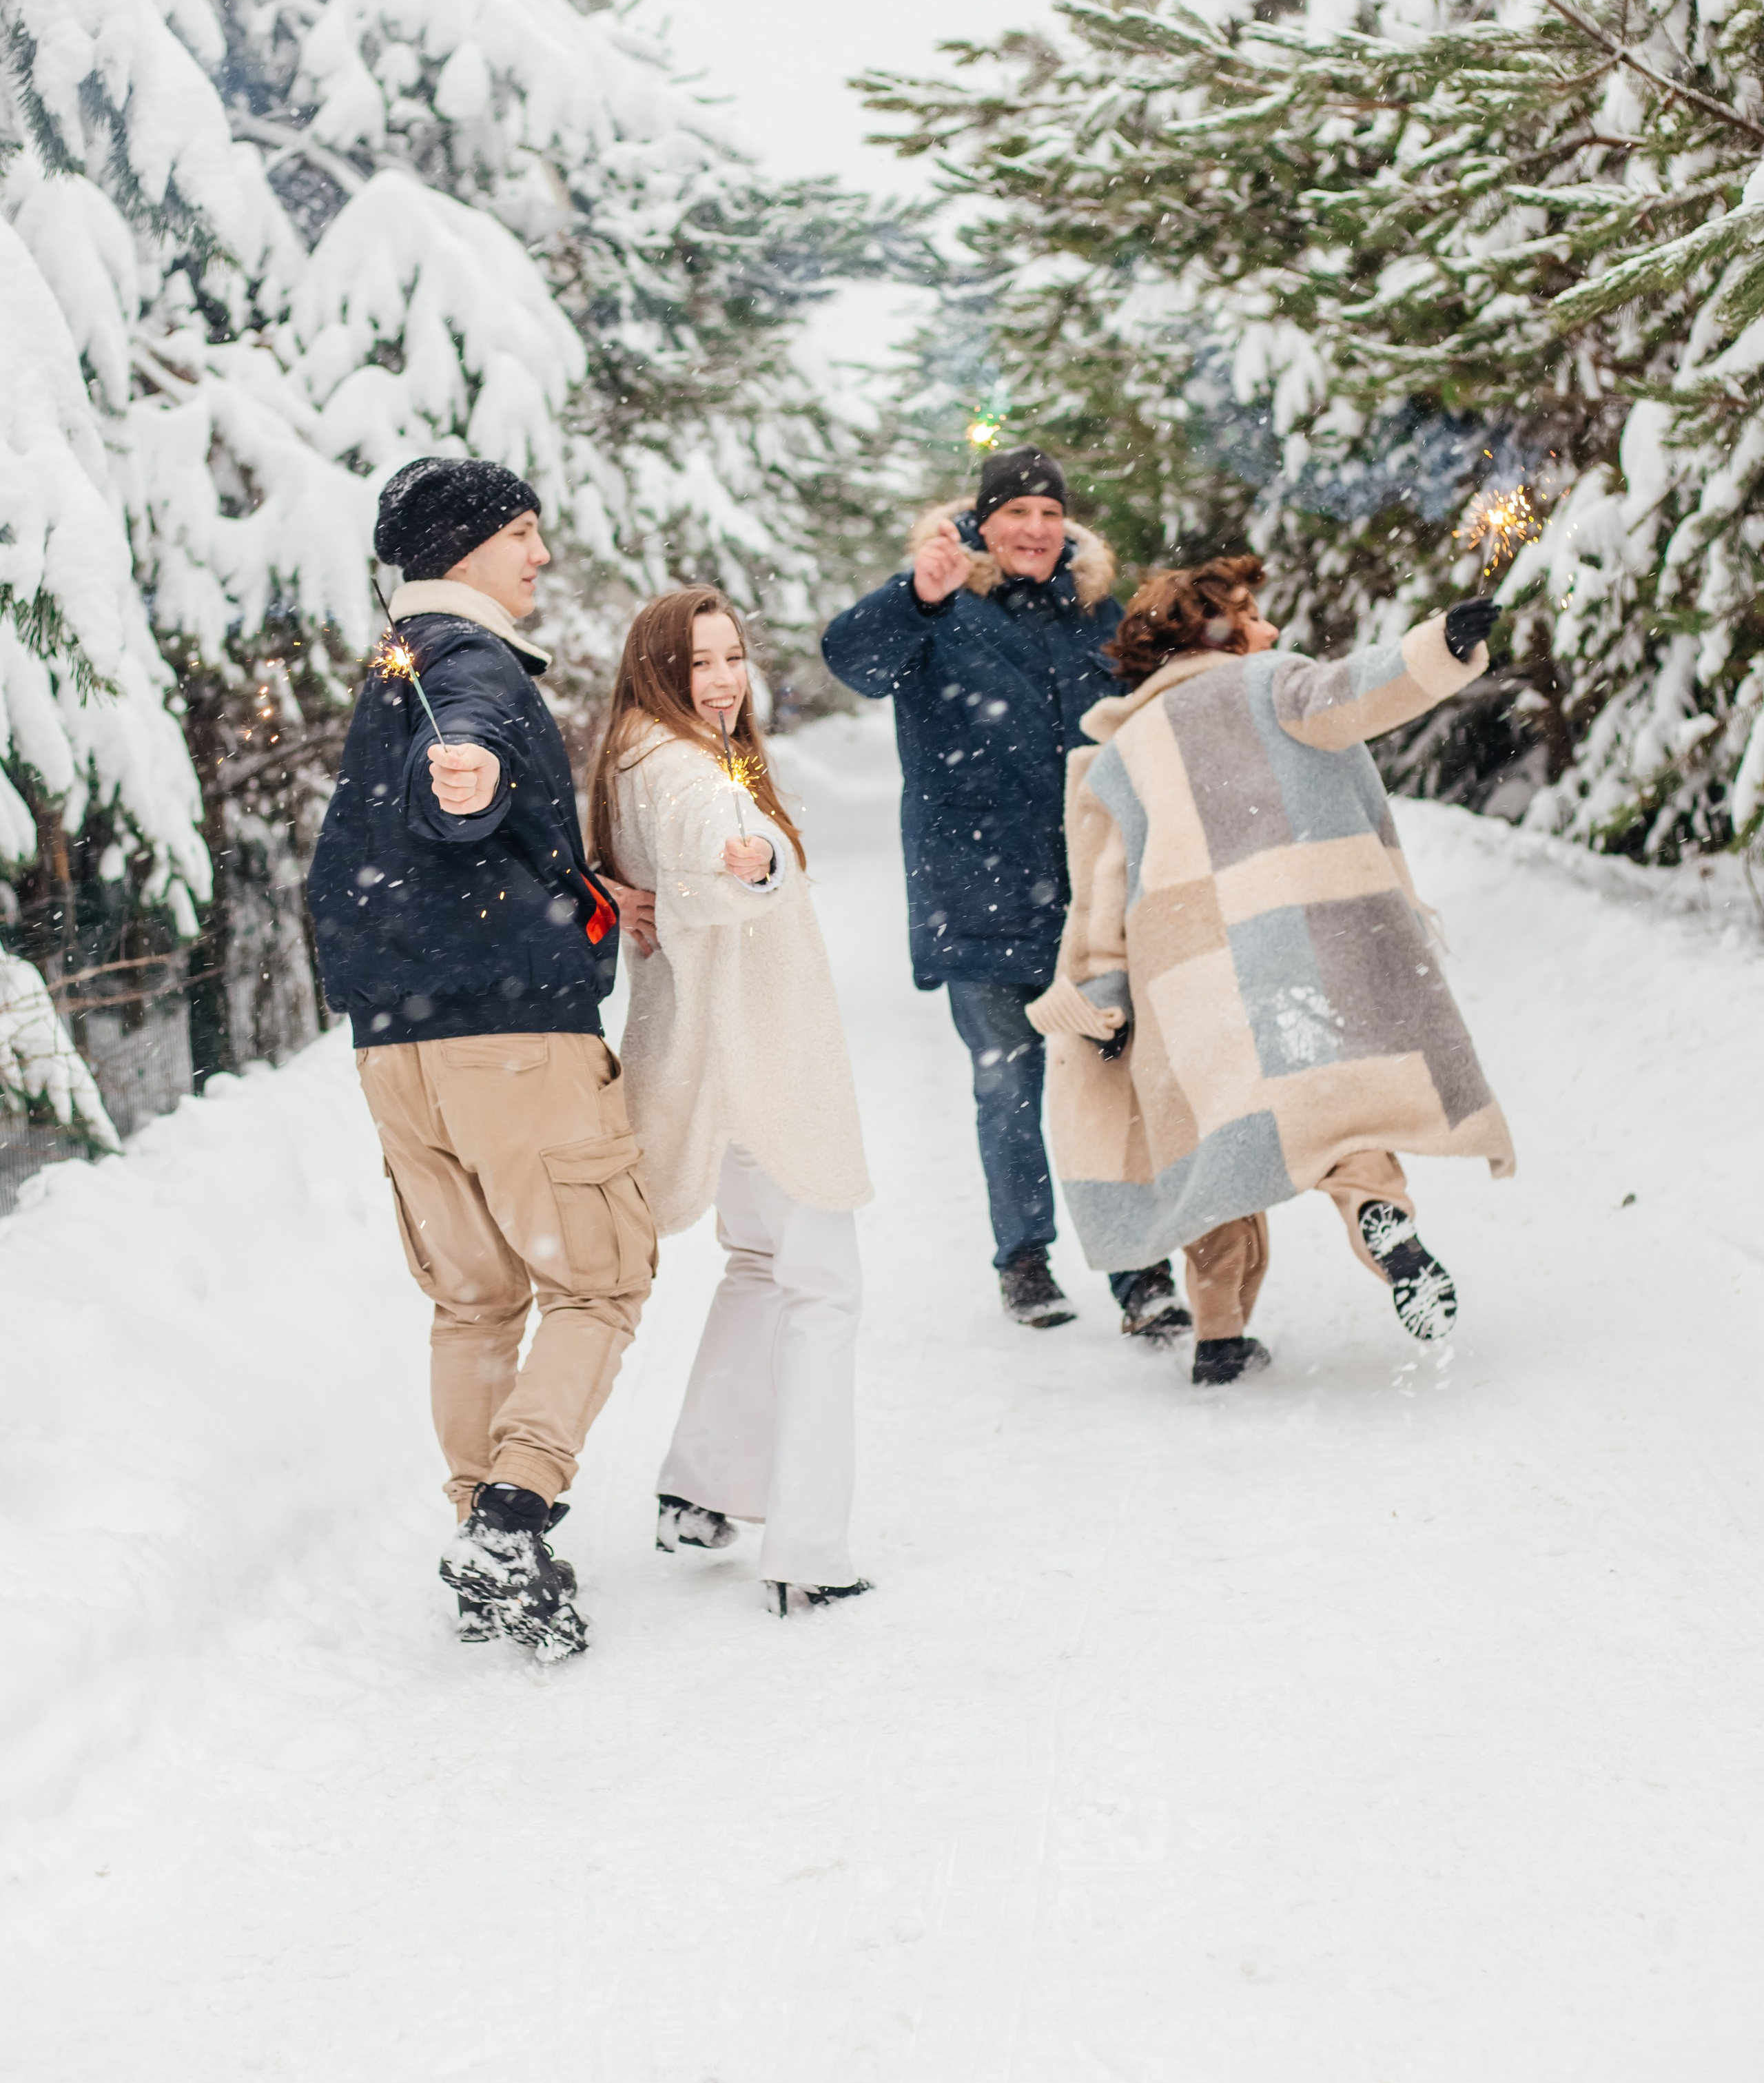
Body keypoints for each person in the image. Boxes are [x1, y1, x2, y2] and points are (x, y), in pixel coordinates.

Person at [307, 456, 653, 1661]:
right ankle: (513, 1518)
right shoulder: (468, 666)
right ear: (463, 548)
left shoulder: (395, 665)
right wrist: (470, 785)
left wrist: (556, 871)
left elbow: (431, 802)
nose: (539, 555)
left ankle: (483, 1546)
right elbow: (462, 765)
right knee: (599, 1280)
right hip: (508, 1037)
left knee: (473, 1300)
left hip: (394, 1047)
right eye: (521, 532)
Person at [1025, 554, 1515, 1384]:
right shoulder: (1272, 687)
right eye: (1252, 616)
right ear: (1209, 627)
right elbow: (1357, 690)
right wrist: (1438, 644)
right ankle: (1376, 1215)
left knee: (1212, 1156)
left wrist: (1103, 995)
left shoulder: (1117, 760)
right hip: (1297, 947)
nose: (1272, 631)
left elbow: (1098, 901)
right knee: (1333, 1112)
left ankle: (1217, 1335)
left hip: (1183, 981)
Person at [821, 447, 1185, 1340]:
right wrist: (918, 593)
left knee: (1112, 1084)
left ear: (1068, 528)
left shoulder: (1100, 613)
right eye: (1016, 514)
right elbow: (851, 658)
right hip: (976, 887)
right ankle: (1024, 1259)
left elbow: (1172, 703)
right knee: (1008, 1084)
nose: (1034, 530)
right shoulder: (939, 606)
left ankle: (1142, 1272)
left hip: (1094, 898)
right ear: (981, 524)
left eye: (1050, 515)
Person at [588, 586, 873, 1616]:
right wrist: (743, 864)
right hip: (764, 1061)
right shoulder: (679, 765)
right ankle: (808, 1546)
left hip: (717, 1055)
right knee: (823, 1289)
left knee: (762, 1266)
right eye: (697, 662)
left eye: (732, 658)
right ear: (655, 670)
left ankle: (700, 1487)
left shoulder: (645, 752)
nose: (720, 681)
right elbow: (711, 854)